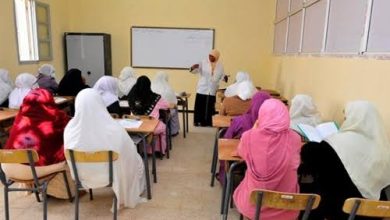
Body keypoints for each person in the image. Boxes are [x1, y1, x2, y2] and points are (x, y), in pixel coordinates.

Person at [299, 101, 390, 220]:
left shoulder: (335, 143)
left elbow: (308, 155)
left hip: (339, 210)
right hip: (374, 213)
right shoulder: (383, 149)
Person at [64, 89, 146, 209]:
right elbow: (128, 150)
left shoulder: (70, 129)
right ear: (100, 103)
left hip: (82, 175)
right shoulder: (113, 128)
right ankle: (125, 190)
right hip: (110, 175)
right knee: (136, 160)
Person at [233, 99, 301, 219]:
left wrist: (254, 130)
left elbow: (240, 153)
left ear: (261, 115)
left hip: (255, 206)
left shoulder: (249, 137)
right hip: (287, 207)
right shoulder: (295, 138)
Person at [4, 88, 75, 199]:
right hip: (31, 170)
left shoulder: (20, 117)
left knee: (38, 154)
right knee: (67, 159)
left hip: (7, 166)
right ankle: (62, 191)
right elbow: (70, 137)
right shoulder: (55, 118)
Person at [217, 91, 271, 185]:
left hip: (239, 162)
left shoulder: (240, 121)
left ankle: (224, 179)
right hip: (266, 167)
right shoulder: (273, 126)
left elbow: (226, 140)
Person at [128, 76, 169, 154]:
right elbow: (167, 106)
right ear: (149, 85)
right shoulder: (156, 97)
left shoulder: (131, 98)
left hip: (134, 127)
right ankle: (158, 150)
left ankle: (139, 150)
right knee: (164, 127)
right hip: (151, 128)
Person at [190, 49, 227, 126]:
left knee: (210, 106)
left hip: (212, 88)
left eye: (212, 56)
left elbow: (221, 76)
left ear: (216, 57)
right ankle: (198, 122)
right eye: (209, 56)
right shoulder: (203, 62)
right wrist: (193, 68)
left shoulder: (220, 66)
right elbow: (195, 71)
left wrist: (224, 78)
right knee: (200, 105)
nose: (210, 57)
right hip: (202, 88)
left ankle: (209, 122)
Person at [151, 71, 180, 135]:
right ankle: (173, 131)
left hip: (153, 113)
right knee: (175, 109)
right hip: (165, 113)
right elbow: (174, 102)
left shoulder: (151, 87)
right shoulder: (168, 88)